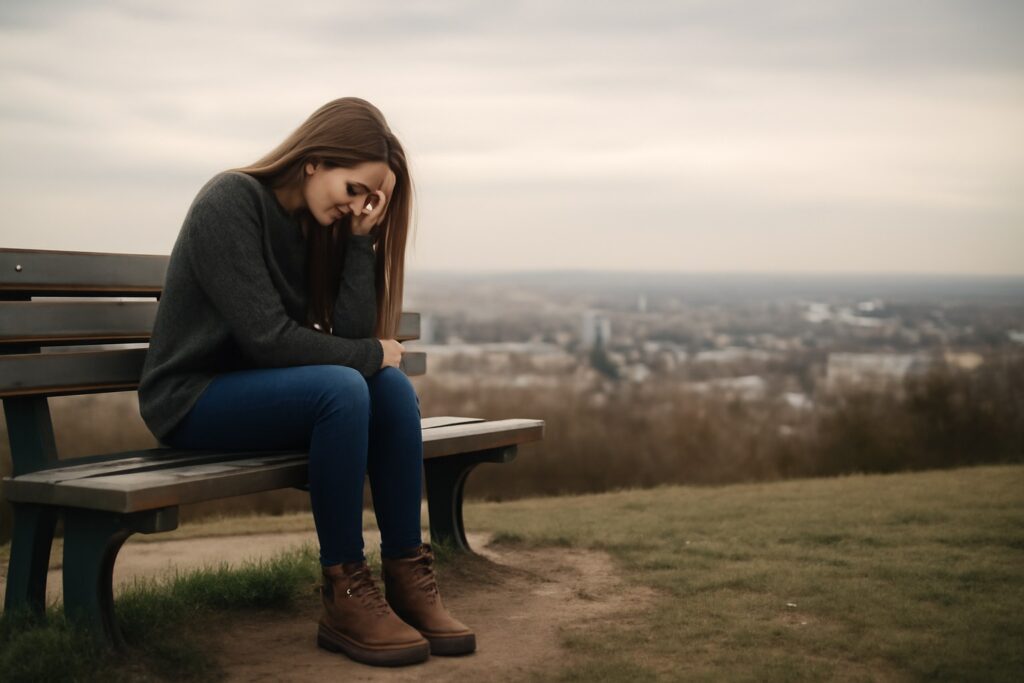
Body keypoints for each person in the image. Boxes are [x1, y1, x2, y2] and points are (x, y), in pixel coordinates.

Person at [138, 97, 474, 668]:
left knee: (389, 389)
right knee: (344, 388)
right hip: (191, 399)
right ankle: (344, 592)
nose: (357, 206)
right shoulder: (231, 201)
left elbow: (344, 336)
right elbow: (272, 339)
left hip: (256, 394)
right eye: (355, 190)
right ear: (315, 160)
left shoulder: (318, 228)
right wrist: (373, 352)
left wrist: (363, 240)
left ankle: (407, 576)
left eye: (370, 200)